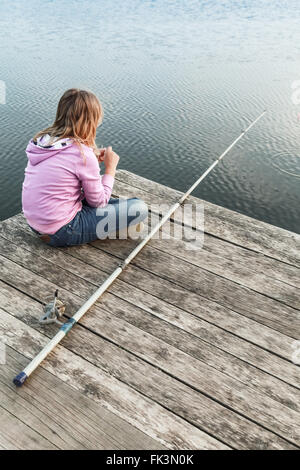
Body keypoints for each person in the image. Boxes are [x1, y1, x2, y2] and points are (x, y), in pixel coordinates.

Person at [22, 88, 148, 247]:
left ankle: (108, 225)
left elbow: (64, 166)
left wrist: (92, 157)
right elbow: (99, 202)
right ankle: (109, 228)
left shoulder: (43, 143)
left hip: (36, 226)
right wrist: (110, 168)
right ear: (90, 122)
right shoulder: (82, 156)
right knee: (138, 208)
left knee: (125, 204)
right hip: (63, 231)